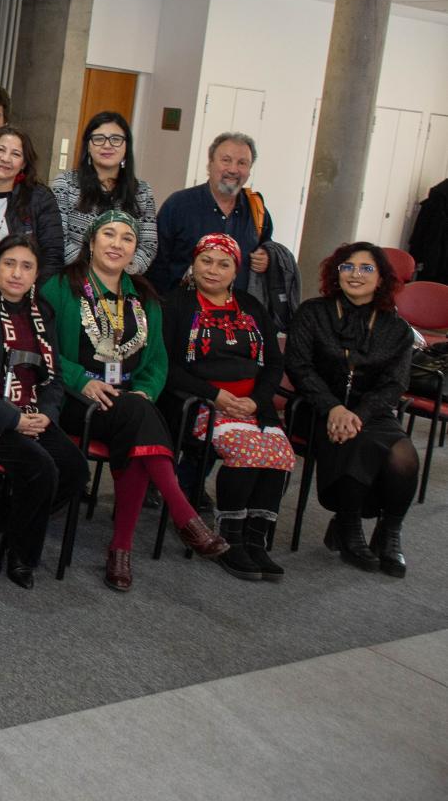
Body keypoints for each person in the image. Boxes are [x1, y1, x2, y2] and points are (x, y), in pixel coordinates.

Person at [40, 212, 228, 592]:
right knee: (141, 423)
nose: (116, 244)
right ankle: (171, 522)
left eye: (127, 238)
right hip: (75, 401)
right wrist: (82, 381)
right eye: (108, 234)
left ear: (134, 250)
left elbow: (157, 361)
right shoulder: (60, 286)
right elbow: (43, 346)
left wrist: (145, 391)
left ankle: (123, 548)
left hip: (128, 402)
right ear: (91, 242)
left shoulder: (144, 295)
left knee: (139, 419)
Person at [0, 234, 86, 589]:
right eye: (9, 263)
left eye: (26, 266)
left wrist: (47, 415)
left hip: (34, 412)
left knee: (74, 469)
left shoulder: (43, 313)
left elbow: (53, 378)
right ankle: (23, 555)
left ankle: (4, 523)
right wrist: (12, 418)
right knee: (41, 468)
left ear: (36, 274)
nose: (17, 274)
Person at [161, 234, 293, 582]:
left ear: (236, 270)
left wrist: (257, 401)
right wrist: (215, 395)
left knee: (278, 452)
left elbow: (274, 364)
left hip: (252, 407)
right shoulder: (176, 304)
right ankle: (229, 540)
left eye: (224, 264)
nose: (213, 270)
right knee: (249, 451)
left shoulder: (251, 306)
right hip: (201, 404)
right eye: (206, 261)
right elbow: (167, 366)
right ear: (194, 263)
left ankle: (256, 540)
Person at [285, 242, 418, 578]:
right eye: (348, 267)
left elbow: (395, 384)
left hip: (370, 413)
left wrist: (356, 414)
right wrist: (334, 408)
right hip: (316, 407)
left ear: (382, 278)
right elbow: (300, 368)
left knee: (404, 455)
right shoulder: (313, 312)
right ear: (336, 272)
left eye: (366, 268)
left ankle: (388, 533)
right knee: (360, 443)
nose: (355, 274)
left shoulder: (397, 328)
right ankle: (348, 524)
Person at [148, 132, 274, 295]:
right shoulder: (178, 205)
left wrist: (267, 256)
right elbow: (157, 263)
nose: (233, 169)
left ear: (249, 170)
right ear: (210, 164)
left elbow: (267, 244)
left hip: (236, 315)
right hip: (181, 313)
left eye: (242, 163)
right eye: (226, 160)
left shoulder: (257, 209)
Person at [52, 111, 157, 274]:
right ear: (88, 145)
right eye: (99, 138)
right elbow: (57, 238)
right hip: (73, 278)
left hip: (121, 283)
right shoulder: (66, 184)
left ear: (126, 146)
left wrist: (121, 273)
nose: (107, 145)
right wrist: (96, 273)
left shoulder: (142, 191)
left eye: (115, 139)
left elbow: (148, 245)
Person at [0, 125, 64, 290]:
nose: (5, 158)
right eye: (0, 150)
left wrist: (28, 296)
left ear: (24, 163)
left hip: (14, 299)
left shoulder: (39, 198)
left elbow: (52, 256)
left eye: (15, 154)